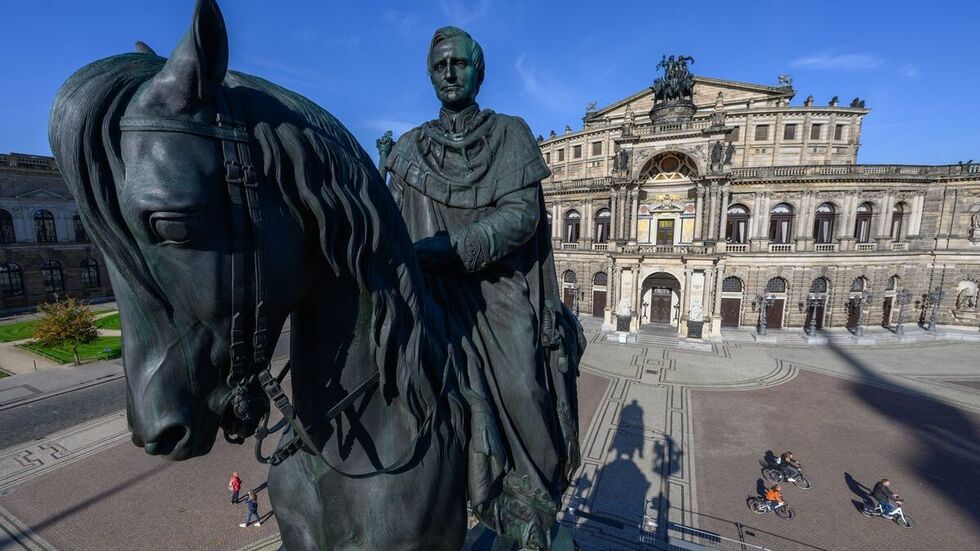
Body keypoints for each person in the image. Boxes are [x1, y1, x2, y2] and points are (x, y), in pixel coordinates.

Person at [385, 26, 583, 550]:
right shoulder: (408, 149)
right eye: (439, 66)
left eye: (459, 63)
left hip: (495, 293)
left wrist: (454, 250)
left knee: (522, 388)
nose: (449, 73)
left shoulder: (511, 134)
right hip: (427, 295)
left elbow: (522, 216)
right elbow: (387, 225)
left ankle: (530, 502)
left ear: (479, 70)